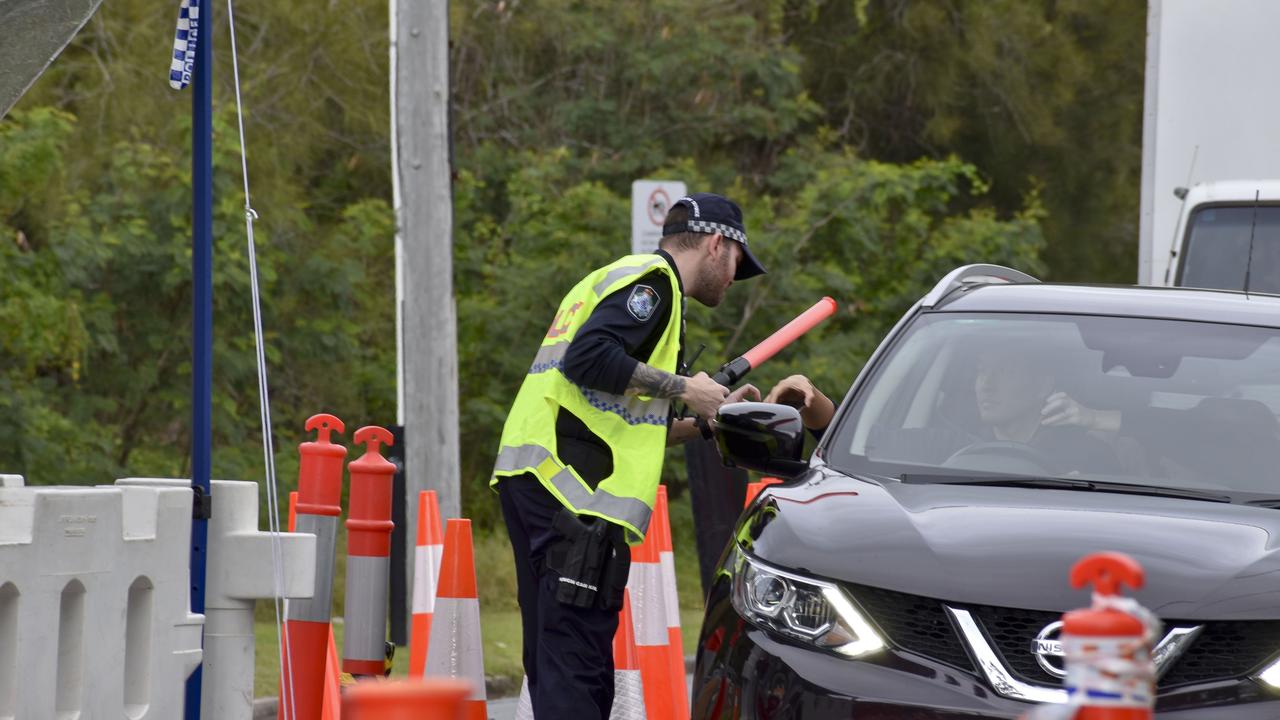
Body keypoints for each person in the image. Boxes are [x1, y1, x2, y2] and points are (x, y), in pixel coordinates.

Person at [490, 193, 767, 719]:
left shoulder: (618, 277)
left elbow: (628, 422)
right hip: (571, 494)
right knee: (577, 670)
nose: (735, 278)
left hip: (541, 481)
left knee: (556, 662)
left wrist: (708, 421)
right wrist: (688, 386)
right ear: (716, 244)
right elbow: (589, 358)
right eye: (737, 263)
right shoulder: (655, 284)